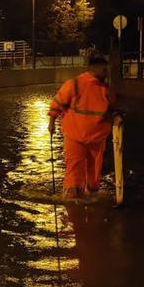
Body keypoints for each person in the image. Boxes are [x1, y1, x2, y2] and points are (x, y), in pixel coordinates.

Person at [48, 56, 116, 199]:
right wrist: (51, 122)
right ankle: (74, 198)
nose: (106, 72)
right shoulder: (75, 84)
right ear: (94, 68)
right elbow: (57, 104)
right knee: (75, 169)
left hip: (97, 138)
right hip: (76, 137)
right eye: (104, 69)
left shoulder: (106, 89)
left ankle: (85, 198)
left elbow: (111, 109)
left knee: (94, 170)